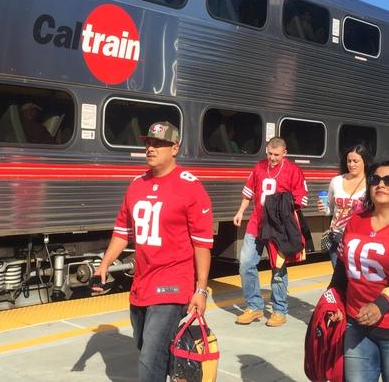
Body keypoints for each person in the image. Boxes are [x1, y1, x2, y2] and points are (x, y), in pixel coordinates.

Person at [92, 121, 214, 382]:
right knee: (147, 345)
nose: (150, 148)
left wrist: (201, 289)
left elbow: (202, 244)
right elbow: (122, 231)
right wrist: (105, 264)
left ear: (175, 148)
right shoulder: (137, 185)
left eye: (158, 144)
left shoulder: (191, 187)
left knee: (150, 357)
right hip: (142, 284)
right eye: (148, 143)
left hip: (173, 284)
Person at [233, 136, 308, 327]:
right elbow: (249, 192)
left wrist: (284, 208)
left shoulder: (293, 171)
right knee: (246, 264)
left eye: (276, 155)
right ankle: (254, 306)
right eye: (270, 153)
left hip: (279, 227)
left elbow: (301, 199)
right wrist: (240, 212)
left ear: (284, 153)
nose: (272, 158)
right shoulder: (259, 167)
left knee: (278, 268)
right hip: (256, 222)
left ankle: (279, 310)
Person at [328, 161, 389, 382]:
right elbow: (342, 268)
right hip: (356, 323)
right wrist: (334, 301)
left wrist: (381, 304)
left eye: (388, 181)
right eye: (375, 179)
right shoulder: (355, 221)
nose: (381, 184)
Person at [318, 144, 372, 266]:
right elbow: (330, 210)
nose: (351, 164)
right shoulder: (336, 181)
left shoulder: (371, 183)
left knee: (355, 274)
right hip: (337, 237)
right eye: (349, 161)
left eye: (356, 161)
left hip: (360, 238)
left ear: (365, 162)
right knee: (338, 275)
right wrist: (324, 208)